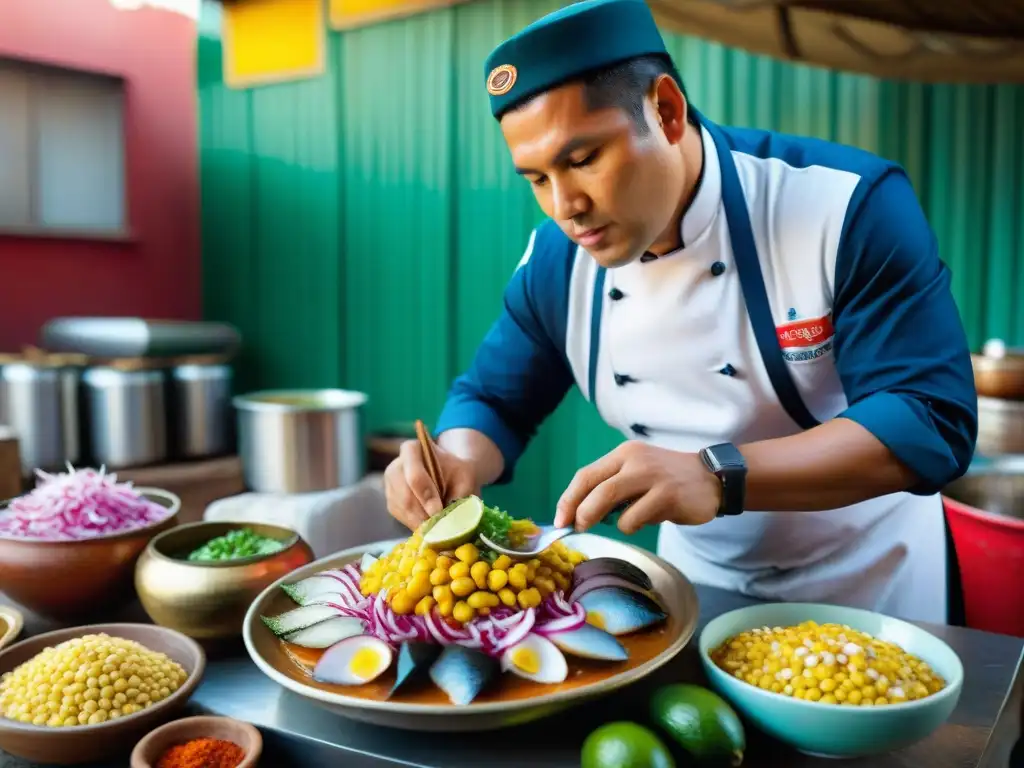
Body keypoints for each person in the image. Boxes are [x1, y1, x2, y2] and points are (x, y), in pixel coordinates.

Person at [382, 0, 978, 624]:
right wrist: (454, 460)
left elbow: (928, 419)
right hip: (696, 583)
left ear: (666, 111)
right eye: (536, 179)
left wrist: (717, 475)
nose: (565, 206)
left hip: (868, 581)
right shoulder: (558, 262)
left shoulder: (843, 205)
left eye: (583, 160)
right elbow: (496, 398)